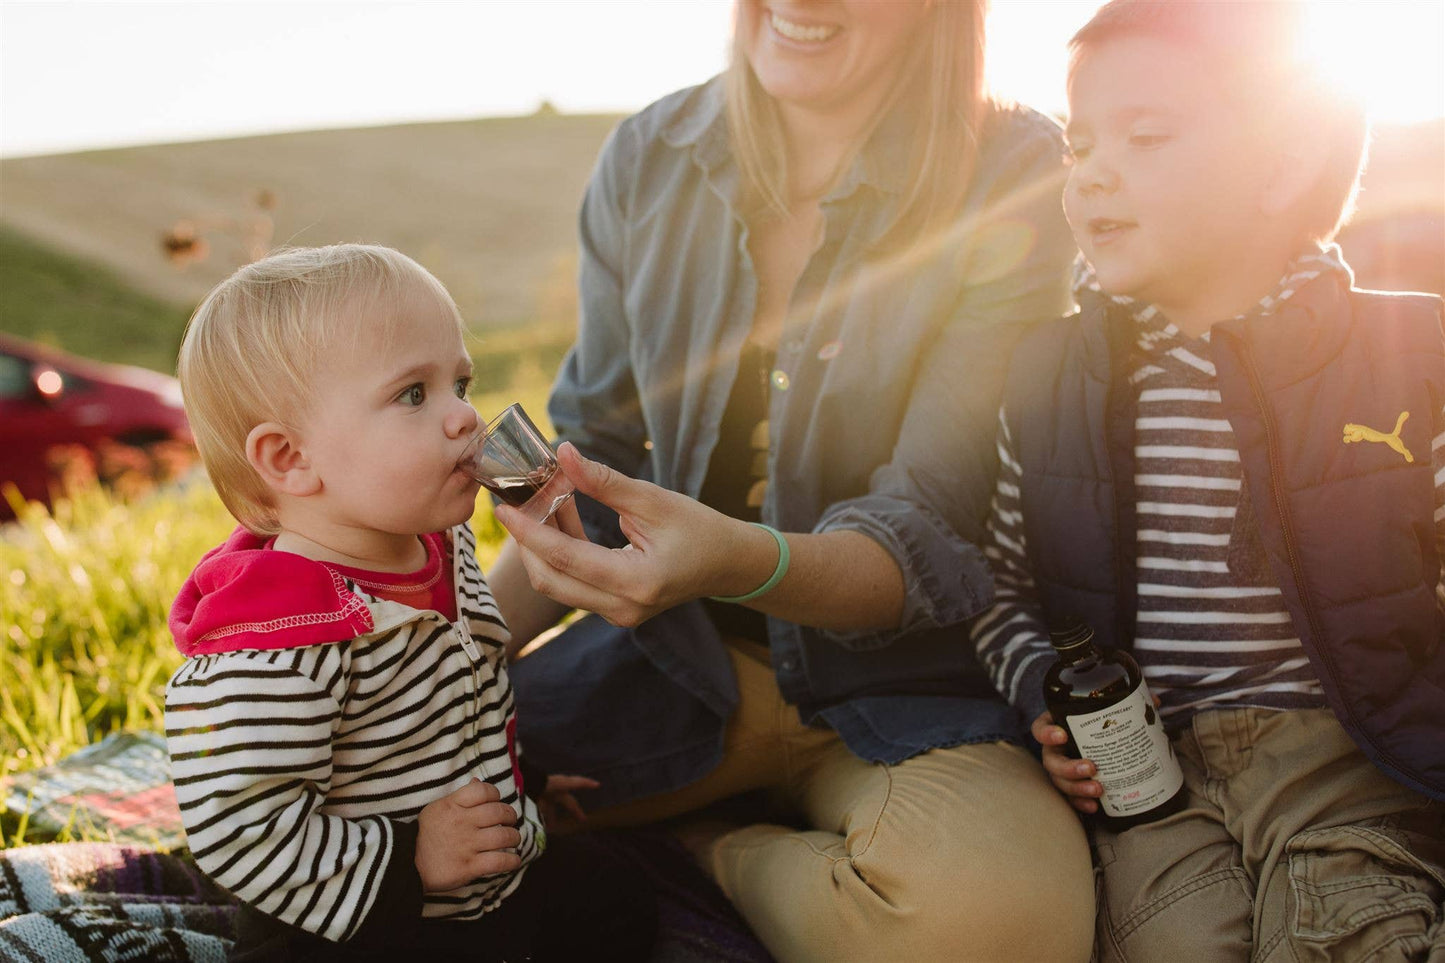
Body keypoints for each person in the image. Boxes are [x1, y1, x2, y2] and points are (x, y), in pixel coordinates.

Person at [486, 2, 1094, 959]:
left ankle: (705, 851)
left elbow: (925, 527)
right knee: (374, 799)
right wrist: (442, 661)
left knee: (997, 924)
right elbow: (587, 453)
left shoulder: (1014, 171)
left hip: (897, 692)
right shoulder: (650, 156)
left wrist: (729, 560)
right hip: (659, 667)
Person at [969, 2, 1445, 960]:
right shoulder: (1049, 377)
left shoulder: (1407, 353)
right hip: (1151, 779)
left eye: (1142, 138)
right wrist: (1040, 700)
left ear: (1281, 167)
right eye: (1078, 143)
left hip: (1347, 758)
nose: (1090, 171)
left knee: (1348, 930)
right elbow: (998, 586)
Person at [163, 244, 656, 962]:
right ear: (290, 459)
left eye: (461, 381)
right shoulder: (281, 635)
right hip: (359, 916)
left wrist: (526, 781)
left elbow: (463, 697)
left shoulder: (437, 550)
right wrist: (410, 857)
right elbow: (238, 828)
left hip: (477, 882)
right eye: (414, 395)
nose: (463, 416)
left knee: (619, 899)